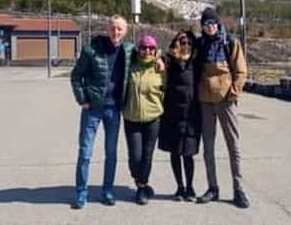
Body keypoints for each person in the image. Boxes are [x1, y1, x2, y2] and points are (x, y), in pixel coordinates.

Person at [69, 14, 134, 209]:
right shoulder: (91, 50)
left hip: (113, 110)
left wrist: (160, 62)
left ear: (125, 32)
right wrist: (83, 99)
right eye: (113, 28)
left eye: (119, 29)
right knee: (85, 152)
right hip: (93, 109)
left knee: (111, 153)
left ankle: (107, 191)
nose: (116, 32)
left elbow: (150, 53)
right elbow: (76, 76)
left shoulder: (129, 51)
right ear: (108, 29)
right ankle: (81, 193)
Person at [195, 7, 250, 208]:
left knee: (233, 145)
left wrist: (233, 94)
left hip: (226, 101)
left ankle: (239, 189)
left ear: (218, 24)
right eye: (206, 24)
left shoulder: (230, 42)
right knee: (208, 147)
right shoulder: (199, 44)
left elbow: (241, 71)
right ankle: (213, 188)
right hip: (206, 102)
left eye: (212, 23)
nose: (209, 27)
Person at [158, 30, 202, 202]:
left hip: (191, 114)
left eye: (189, 42)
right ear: (177, 43)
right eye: (182, 42)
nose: (186, 45)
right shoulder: (170, 60)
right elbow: (157, 58)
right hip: (172, 113)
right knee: (175, 152)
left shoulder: (196, 61)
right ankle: (179, 187)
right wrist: (159, 60)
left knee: (188, 153)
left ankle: (190, 187)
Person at [122, 35, 165, 205]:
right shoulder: (130, 66)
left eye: (151, 48)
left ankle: (141, 187)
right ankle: (140, 179)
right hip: (132, 117)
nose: (147, 51)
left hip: (153, 118)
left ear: (155, 50)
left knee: (147, 155)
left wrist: (162, 60)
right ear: (139, 49)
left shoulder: (160, 69)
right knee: (135, 157)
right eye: (144, 47)